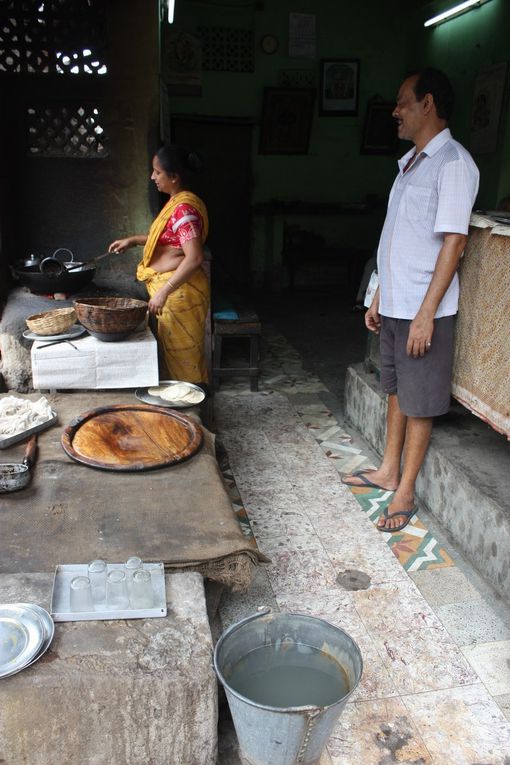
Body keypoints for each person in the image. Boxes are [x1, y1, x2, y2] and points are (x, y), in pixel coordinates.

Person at [342, 68, 479, 532]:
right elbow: (398, 238)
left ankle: (405, 491)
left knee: (419, 401)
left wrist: (425, 315)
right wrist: (381, 291)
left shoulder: (454, 164)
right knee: (396, 389)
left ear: (429, 104)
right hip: (398, 301)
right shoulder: (411, 163)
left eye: (402, 102)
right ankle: (387, 468)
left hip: (425, 310)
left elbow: (453, 244)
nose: (395, 111)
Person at [109, 145, 209, 383]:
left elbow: (194, 257)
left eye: (157, 172)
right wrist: (133, 240)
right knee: (174, 359)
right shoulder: (176, 203)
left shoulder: (184, 210)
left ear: (173, 177)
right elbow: (169, 239)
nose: (152, 177)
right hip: (175, 293)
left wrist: (164, 291)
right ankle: (180, 406)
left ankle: (191, 409)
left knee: (184, 361)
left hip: (179, 293)